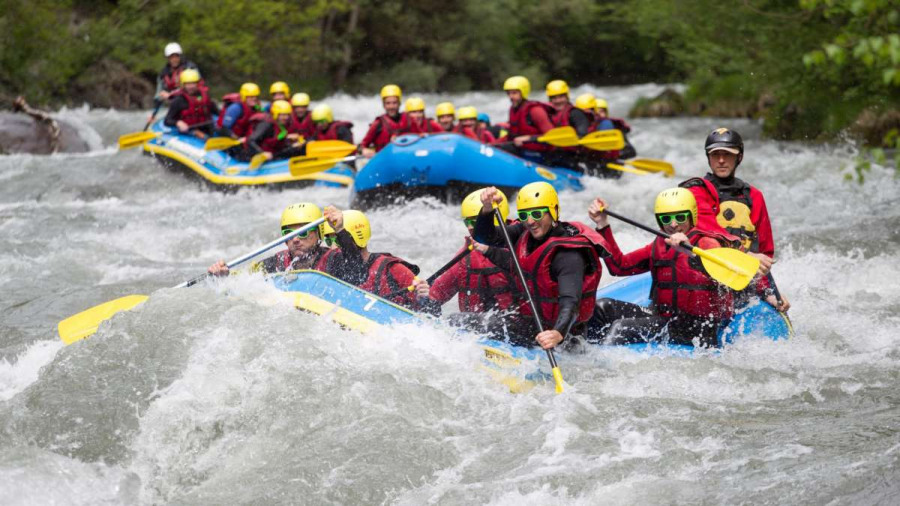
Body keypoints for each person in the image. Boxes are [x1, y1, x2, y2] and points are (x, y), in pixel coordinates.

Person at [588, 188, 739, 348]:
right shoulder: (660, 244)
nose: (673, 224)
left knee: (621, 328)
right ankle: (582, 355)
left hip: (698, 326)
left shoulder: (707, 243)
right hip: (663, 316)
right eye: (666, 219)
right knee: (601, 307)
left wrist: (690, 253)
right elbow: (619, 266)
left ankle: (602, 366)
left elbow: (727, 274)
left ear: (691, 216)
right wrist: (602, 224)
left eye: (680, 218)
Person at [472, 182, 609, 350]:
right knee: (461, 320)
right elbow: (484, 237)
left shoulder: (568, 254)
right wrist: (487, 209)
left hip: (565, 338)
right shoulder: (524, 232)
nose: (530, 221)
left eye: (536, 214)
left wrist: (558, 333)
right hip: (530, 328)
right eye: (524, 215)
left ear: (553, 212)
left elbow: (571, 302)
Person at [679, 127, 789, 311]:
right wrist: (744, 255)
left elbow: (764, 253)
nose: (721, 160)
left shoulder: (754, 196)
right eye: (716, 155)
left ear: (739, 157)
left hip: (741, 280)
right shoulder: (695, 192)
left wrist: (769, 292)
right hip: (703, 279)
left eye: (727, 154)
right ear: (709, 158)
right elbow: (708, 231)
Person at [318, 207, 436, 312]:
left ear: (357, 236)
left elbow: (434, 312)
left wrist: (423, 298)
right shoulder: (334, 267)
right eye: (329, 241)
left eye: (338, 240)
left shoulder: (393, 269)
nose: (332, 247)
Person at [427, 189, 518, 315]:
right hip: (476, 330)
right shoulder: (467, 255)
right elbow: (436, 294)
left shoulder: (521, 243)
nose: (470, 227)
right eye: (467, 222)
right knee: (457, 320)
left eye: (475, 221)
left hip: (516, 324)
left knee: (459, 320)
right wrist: (422, 297)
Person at [207, 203, 330, 276]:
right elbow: (246, 277)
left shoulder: (333, 259)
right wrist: (225, 274)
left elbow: (350, 265)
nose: (295, 239)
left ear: (319, 233)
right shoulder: (278, 262)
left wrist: (340, 230)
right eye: (289, 234)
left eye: (302, 232)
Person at [544, 79, 590, 170]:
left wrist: (570, 139)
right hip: (555, 153)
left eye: (561, 97)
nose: (558, 101)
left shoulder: (575, 113)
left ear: (567, 97)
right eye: (554, 98)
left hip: (574, 156)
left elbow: (583, 134)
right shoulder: (549, 114)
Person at [238, 100, 304, 162]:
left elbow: (276, 141)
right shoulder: (266, 124)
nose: (286, 117)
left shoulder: (282, 124)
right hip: (250, 155)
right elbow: (250, 140)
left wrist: (290, 142)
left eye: (287, 115)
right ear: (275, 114)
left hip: (271, 154)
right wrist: (262, 153)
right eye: (283, 115)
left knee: (296, 148)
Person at [163, 69, 218, 139]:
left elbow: (216, 112)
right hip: (190, 130)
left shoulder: (205, 96)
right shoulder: (178, 100)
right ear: (183, 85)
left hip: (208, 127)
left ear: (197, 84)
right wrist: (178, 122)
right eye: (188, 84)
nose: (191, 87)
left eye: (193, 83)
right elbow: (167, 120)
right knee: (204, 137)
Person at [360, 84, 406, 157]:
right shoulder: (378, 123)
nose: (391, 107)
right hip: (385, 160)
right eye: (388, 103)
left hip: (404, 158)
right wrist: (363, 150)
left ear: (399, 103)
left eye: (394, 103)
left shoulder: (408, 120)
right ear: (384, 105)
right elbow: (361, 146)